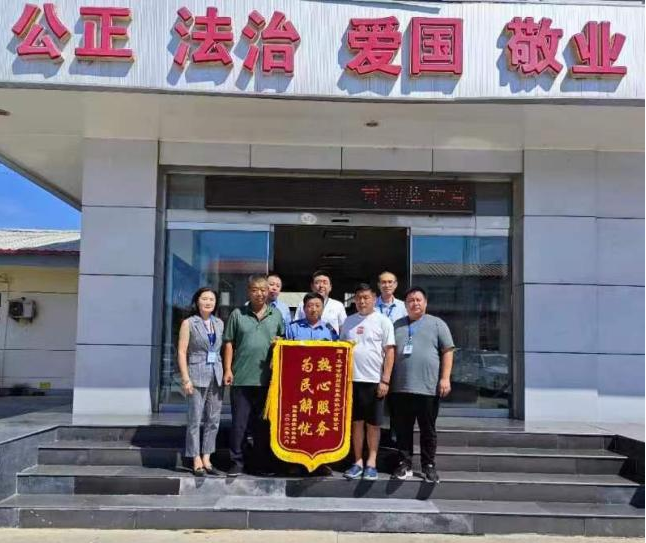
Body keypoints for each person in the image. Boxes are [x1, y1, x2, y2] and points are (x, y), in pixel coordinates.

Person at [390, 287, 455, 484]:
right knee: (402, 429)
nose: (415, 303)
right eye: (411, 300)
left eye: (418, 300)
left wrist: (445, 378)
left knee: (427, 429)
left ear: (425, 303)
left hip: (428, 387)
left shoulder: (437, 324)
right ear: (405, 304)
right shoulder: (396, 325)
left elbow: (448, 350)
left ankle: (428, 466)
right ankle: (404, 463)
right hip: (400, 387)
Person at [223, 274, 286, 477]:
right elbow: (229, 342)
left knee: (262, 426)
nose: (260, 293)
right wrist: (227, 369)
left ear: (269, 292)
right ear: (248, 292)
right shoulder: (237, 314)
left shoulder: (276, 315)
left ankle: (260, 463)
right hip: (241, 377)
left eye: (263, 290)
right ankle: (237, 462)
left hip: (267, 380)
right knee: (239, 424)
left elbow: (283, 341)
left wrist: (279, 342)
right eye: (255, 290)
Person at [340, 283, 395, 481]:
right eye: (359, 298)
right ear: (354, 300)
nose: (362, 301)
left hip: (374, 381)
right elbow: (341, 349)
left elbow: (390, 351)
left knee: (373, 424)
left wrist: (385, 380)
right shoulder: (348, 321)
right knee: (356, 423)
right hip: (351, 381)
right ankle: (357, 462)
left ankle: (371, 463)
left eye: (366, 298)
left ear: (374, 299)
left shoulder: (383, 321)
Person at [286, 291, 338, 477]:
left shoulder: (330, 331)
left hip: (322, 389)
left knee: (320, 425)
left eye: (317, 305)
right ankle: (296, 462)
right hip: (298, 386)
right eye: (309, 306)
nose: (313, 309)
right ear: (304, 308)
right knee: (298, 424)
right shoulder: (292, 328)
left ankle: (321, 463)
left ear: (322, 308)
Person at [177, 287, 225, 476]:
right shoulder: (189, 323)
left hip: (216, 375)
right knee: (195, 419)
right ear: (197, 301)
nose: (208, 302)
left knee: (213, 420)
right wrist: (185, 378)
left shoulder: (219, 323)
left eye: (211, 299)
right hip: (196, 375)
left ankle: (207, 457)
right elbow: (182, 352)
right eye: (204, 299)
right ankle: (195, 458)